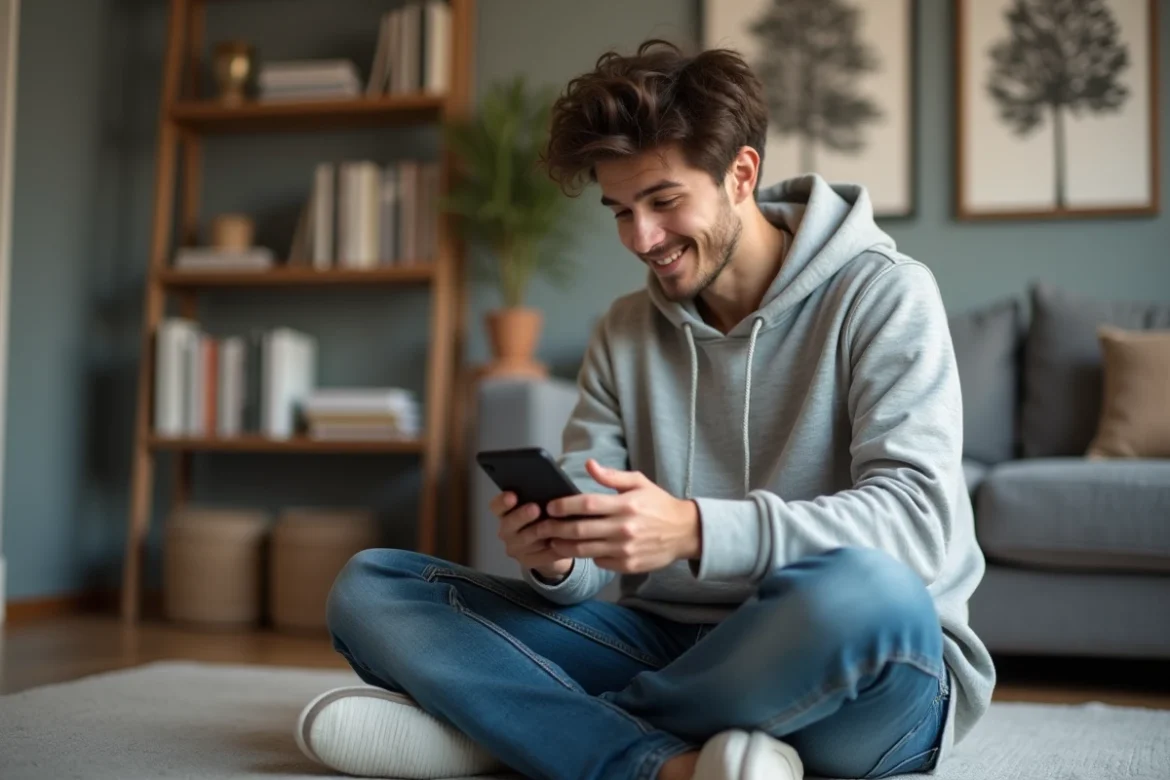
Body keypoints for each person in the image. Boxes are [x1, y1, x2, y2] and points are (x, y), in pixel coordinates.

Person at [294, 39, 995, 780]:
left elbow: (917, 524)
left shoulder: (885, 293)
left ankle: (521, 736)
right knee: (373, 588)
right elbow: (588, 528)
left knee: (870, 595)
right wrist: (560, 554)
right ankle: (665, 764)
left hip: (863, 676)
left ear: (741, 174)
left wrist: (695, 529)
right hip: (667, 644)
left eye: (663, 202)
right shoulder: (626, 329)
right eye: (620, 211)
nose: (641, 239)